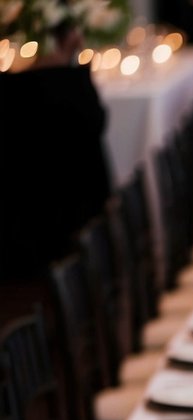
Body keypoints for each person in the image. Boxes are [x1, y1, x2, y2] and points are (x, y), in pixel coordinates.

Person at [0, 18, 112, 303]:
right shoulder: (74, 84)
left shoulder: (12, 88)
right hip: (77, 219)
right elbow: (97, 128)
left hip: (27, 229)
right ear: (71, 36)